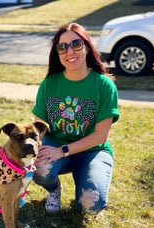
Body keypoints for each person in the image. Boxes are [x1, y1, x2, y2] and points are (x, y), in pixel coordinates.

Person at [32, 23, 119, 214]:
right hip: (56, 146)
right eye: (62, 47)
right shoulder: (49, 84)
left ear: (87, 47)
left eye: (76, 44)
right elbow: (39, 129)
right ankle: (54, 190)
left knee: (91, 205)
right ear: (57, 53)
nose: (69, 51)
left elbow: (100, 137)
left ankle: (87, 181)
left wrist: (62, 151)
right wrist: (34, 153)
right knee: (40, 169)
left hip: (92, 151)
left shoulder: (104, 85)